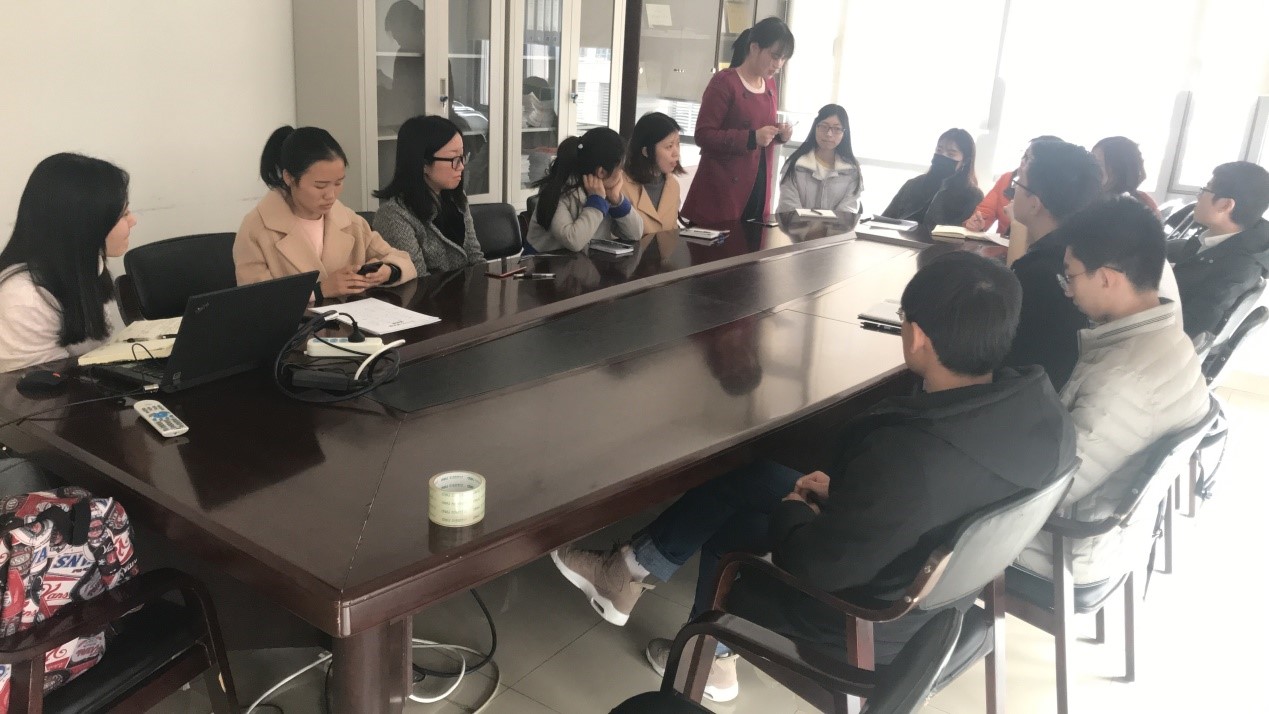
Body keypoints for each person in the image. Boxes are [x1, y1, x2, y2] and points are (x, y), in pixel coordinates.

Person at [550, 252, 1075, 702]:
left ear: (917, 336)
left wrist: (797, 509)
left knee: (735, 534)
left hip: (868, 619)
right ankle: (630, 568)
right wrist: (844, 493)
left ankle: (709, 659)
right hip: (935, 591)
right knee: (752, 474)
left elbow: (814, 564)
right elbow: (924, 504)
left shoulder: (910, 458)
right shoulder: (1044, 418)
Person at [1015, 197, 1207, 586]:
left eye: (1070, 276)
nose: (1068, 291)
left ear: (1106, 278)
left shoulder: (1120, 380)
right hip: (1116, 534)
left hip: (1066, 551)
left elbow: (1048, 491)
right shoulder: (1173, 338)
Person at [1006, 141, 1181, 389]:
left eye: (1018, 183)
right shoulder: (1102, 246)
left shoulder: (1044, 272)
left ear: (1035, 203)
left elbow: (1010, 364)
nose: (1012, 190)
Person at [234, 126, 415, 299]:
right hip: (295, 322)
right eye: (320, 186)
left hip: (351, 318)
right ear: (289, 178)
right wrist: (319, 290)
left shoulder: (349, 220)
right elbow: (256, 299)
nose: (331, 195)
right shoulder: (256, 228)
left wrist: (389, 271)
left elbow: (403, 260)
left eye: (338, 183)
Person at [0, 153, 134, 372]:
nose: (133, 220)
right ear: (86, 225)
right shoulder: (24, 298)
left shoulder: (87, 264)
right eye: (123, 214)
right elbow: (35, 387)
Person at [681, 17, 795, 227]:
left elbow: (761, 130)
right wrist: (751, 137)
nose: (778, 64)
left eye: (784, 58)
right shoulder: (725, 82)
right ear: (754, 48)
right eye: (774, 56)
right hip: (722, 191)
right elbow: (703, 135)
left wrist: (779, 134)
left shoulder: (769, 85)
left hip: (758, 184)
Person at [372, 115, 484, 277]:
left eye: (462, 157)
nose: (461, 166)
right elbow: (417, 279)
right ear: (423, 164)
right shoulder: (393, 215)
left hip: (462, 290)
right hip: (425, 293)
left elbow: (475, 257)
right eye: (454, 159)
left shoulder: (456, 198)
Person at [1169, 161, 1269, 338]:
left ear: (1225, 205)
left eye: (1205, 190)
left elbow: (1189, 331)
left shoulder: (1235, 269)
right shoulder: (1225, 243)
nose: (1198, 196)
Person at [525, 126, 642, 252]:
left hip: (581, 261)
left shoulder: (607, 191)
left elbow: (635, 234)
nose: (622, 173)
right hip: (543, 262)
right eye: (620, 168)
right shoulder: (558, 190)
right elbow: (573, 241)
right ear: (601, 172)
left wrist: (617, 200)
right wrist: (596, 203)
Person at [882, 128, 983, 231]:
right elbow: (884, 220)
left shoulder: (972, 196)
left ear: (965, 161)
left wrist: (975, 227)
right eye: (939, 150)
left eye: (951, 154)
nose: (942, 156)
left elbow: (969, 234)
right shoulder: (913, 184)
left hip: (941, 241)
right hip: (899, 240)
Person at [964, 135, 1062, 234]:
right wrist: (976, 223)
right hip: (1002, 243)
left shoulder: (1056, 193)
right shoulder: (1007, 179)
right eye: (1024, 156)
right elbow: (984, 212)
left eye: (1029, 158)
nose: (1023, 161)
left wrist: (1015, 220)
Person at [776, 103, 862, 214]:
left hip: (837, 226)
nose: (829, 134)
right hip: (797, 225)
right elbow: (789, 209)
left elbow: (847, 212)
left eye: (837, 128)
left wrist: (828, 224)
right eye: (824, 126)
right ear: (815, 127)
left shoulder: (852, 171)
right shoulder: (795, 165)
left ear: (844, 133)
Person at [623, 112, 687, 236]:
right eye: (669, 146)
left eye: (678, 144)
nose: (676, 153)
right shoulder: (621, 186)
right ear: (646, 151)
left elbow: (672, 232)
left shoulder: (673, 185)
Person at [1092, 136, 1160, 219]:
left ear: (1117, 170)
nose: (1091, 168)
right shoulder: (1141, 199)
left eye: (1098, 163)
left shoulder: (1131, 207)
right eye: (1091, 162)